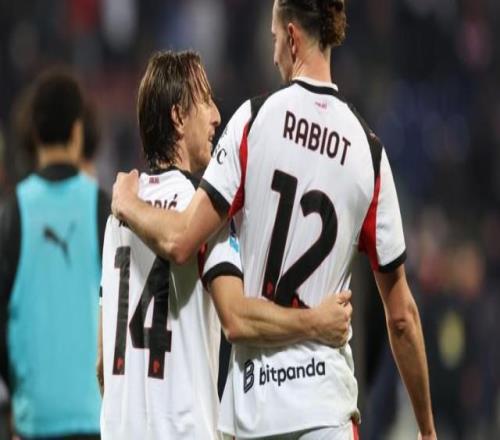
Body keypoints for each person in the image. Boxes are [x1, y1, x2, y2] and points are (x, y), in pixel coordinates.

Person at [111, 1, 437, 439]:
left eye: (274, 39)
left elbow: (182, 238)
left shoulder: (253, 122)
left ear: (292, 37)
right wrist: (427, 429)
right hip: (325, 410)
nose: (273, 53)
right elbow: (401, 317)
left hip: (254, 411)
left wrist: (125, 202)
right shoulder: (370, 154)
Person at [99, 50, 353, 440]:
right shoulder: (201, 211)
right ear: (178, 116)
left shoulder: (119, 217)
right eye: (205, 101)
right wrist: (316, 322)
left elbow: (103, 363)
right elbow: (237, 319)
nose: (217, 115)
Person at [0, 68, 108, 439]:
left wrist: (19, 390)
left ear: (34, 133)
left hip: (35, 419)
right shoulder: (103, 208)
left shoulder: (11, 214)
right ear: (78, 131)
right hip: (95, 414)